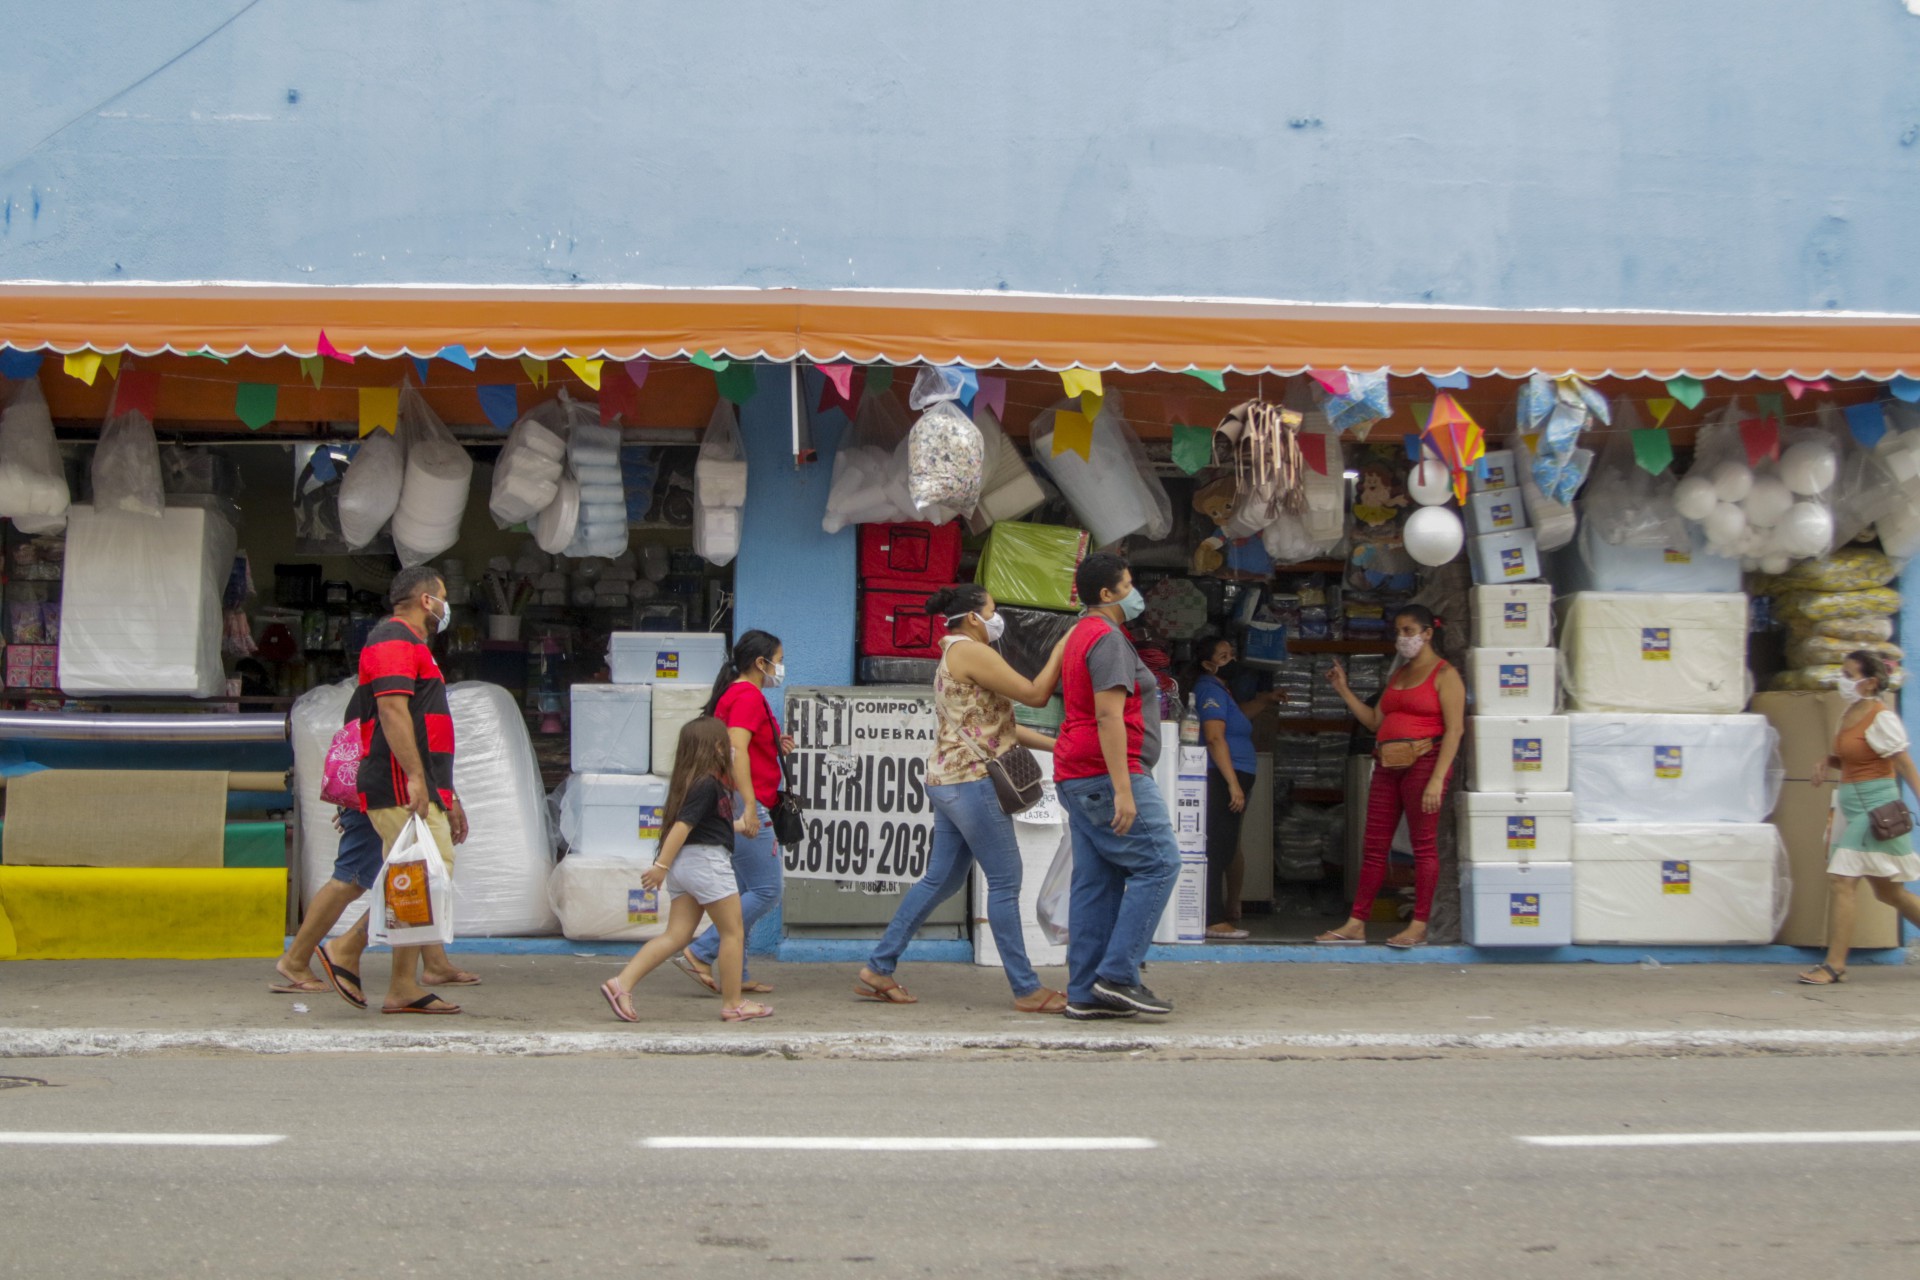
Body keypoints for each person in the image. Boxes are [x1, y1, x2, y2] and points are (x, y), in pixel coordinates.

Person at [855, 584, 1070, 1012]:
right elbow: (1034, 695)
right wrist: (1065, 643)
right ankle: (1026, 989)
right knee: (1006, 883)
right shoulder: (973, 651)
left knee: (942, 879)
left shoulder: (953, 652)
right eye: (991, 610)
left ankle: (879, 967)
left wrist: (1059, 743)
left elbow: (997, 726)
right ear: (973, 616)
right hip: (971, 783)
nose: (996, 619)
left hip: (949, 780)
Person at [305, 566, 474, 1014]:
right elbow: (393, 712)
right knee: (421, 877)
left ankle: (402, 984)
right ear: (426, 601)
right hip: (400, 784)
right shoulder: (394, 640)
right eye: (442, 598)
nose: (444, 607)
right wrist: (417, 778)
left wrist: (446, 794)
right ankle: (350, 949)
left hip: (418, 785)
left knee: (420, 878)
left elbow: (425, 728)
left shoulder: (411, 645)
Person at [1053, 552, 1181, 1020]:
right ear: (1106, 595)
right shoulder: (1105, 638)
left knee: (1097, 881)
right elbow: (1109, 715)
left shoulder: (1081, 633)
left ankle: (1084, 992)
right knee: (1162, 864)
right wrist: (1124, 789)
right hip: (1106, 773)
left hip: (1079, 772)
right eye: (1127, 585)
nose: (1135, 593)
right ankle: (1119, 976)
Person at [600, 718, 771, 1021]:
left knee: (677, 935)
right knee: (732, 932)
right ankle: (734, 1004)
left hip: (688, 865)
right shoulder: (707, 784)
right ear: (716, 747)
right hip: (705, 864)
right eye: (726, 744)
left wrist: (739, 826)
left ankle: (621, 984)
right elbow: (683, 827)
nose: (732, 749)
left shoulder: (693, 783)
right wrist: (660, 866)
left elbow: (702, 827)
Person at [1315, 605, 1464, 949]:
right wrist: (1343, 690)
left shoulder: (1445, 674)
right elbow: (1373, 722)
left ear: (1428, 633)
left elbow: (1455, 731)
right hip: (1387, 765)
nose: (1403, 638)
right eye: (1399, 631)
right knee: (1374, 846)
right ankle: (1356, 923)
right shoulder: (1398, 675)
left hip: (1424, 763)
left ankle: (1420, 924)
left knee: (1423, 847)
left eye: (1409, 631)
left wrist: (1437, 779)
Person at [675, 630, 792, 997]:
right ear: (761, 663)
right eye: (779, 658)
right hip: (746, 799)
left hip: (739, 796)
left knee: (743, 887)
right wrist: (751, 805)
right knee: (767, 889)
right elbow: (736, 751)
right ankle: (701, 950)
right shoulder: (747, 695)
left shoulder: (737, 694)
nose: (780, 667)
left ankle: (735, 974)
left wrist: (775, 743)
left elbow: (743, 744)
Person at [1798, 652, 1920, 985]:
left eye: (1850, 675)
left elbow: (1904, 764)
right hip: (1851, 810)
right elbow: (1852, 759)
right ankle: (1834, 964)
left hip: (1875, 811)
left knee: (1842, 879)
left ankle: (1835, 965)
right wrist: (1827, 760)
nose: (1843, 680)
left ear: (1871, 684)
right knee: (1890, 894)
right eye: (1843, 673)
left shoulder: (1882, 718)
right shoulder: (1849, 713)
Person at [1187, 635, 1284, 940]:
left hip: (1235, 774)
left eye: (1232, 654)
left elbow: (1238, 719)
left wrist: (1266, 700)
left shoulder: (1221, 690)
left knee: (1225, 845)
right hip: (1221, 775)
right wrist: (1232, 784)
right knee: (1218, 846)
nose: (1232, 660)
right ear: (1208, 664)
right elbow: (1215, 738)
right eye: (1224, 656)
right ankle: (1213, 919)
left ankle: (1216, 915)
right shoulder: (1207, 690)